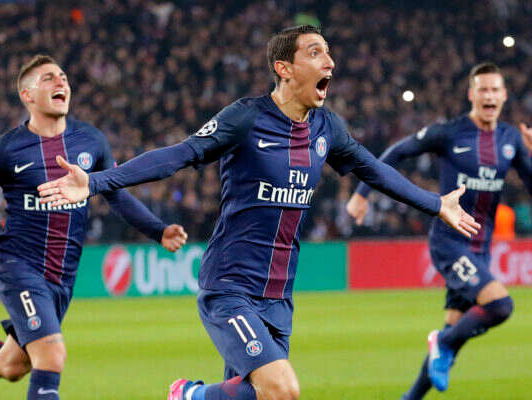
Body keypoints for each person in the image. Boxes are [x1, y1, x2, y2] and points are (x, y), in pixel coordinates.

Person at [37, 26, 480, 400]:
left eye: (328, 52)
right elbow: (180, 154)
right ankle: (188, 395)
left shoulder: (327, 128)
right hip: (230, 286)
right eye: (315, 53)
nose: (329, 62)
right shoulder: (246, 118)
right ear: (284, 69)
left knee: (254, 394)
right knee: (283, 389)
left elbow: (375, 171)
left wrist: (436, 203)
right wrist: (96, 181)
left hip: (280, 294)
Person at [0, 55, 188, 400]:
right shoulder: (4, 149)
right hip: (20, 268)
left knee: (12, 365)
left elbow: (116, 194)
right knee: (51, 355)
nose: (61, 82)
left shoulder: (91, 141)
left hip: (62, 276)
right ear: (27, 95)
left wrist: (159, 230)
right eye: (49, 78)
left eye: (63, 76)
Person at [346, 62, 532, 399]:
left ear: (504, 95)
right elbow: (398, 152)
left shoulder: (510, 139)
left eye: (495, 90)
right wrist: (362, 193)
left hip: (481, 248)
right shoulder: (449, 132)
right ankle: (441, 341)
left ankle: (412, 393)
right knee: (500, 306)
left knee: (454, 334)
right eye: (483, 89)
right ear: (471, 94)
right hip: (449, 243)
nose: (489, 96)